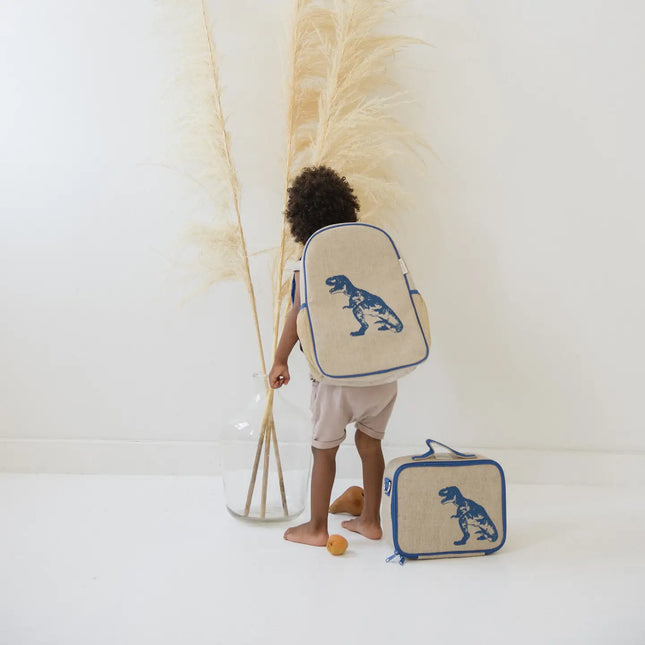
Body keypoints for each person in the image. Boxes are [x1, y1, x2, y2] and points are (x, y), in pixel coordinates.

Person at [268, 165, 398, 547]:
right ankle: (371, 521)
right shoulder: (370, 254)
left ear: (299, 220)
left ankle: (316, 527)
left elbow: (296, 316)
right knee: (370, 445)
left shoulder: (308, 264)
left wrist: (280, 360)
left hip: (336, 382)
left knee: (323, 451)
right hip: (383, 376)